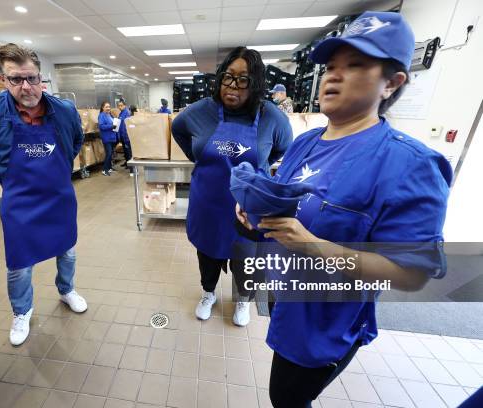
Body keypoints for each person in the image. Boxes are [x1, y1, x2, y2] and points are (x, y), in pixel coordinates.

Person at [236, 12, 452, 407]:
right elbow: (286, 211)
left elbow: (412, 274)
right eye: (331, 66)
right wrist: (255, 215)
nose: (333, 76)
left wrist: (313, 247)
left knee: (285, 398)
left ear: (392, 82)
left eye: (355, 65)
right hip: (287, 295)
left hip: (327, 321)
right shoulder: (305, 142)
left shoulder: (412, 165)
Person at [0, 43, 87, 347]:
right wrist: (8, 170)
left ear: (40, 77)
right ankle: (22, 312)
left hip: (59, 196)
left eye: (32, 78)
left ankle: (67, 290)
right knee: (19, 264)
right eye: (16, 79)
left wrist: (55, 169)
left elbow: (75, 142)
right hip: (19, 201)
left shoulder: (64, 110)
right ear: (3, 79)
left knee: (68, 250)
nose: (26, 86)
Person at [172, 46, 293, 326]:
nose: (233, 86)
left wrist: (259, 168)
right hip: (208, 205)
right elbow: (178, 129)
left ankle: (243, 300)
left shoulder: (272, 117)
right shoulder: (202, 111)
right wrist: (199, 157)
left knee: (245, 260)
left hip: (248, 211)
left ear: (257, 84)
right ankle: (208, 293)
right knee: (208, 255)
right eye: (228, 77)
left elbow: (280, 150)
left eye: (243, 80)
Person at [98, 101, 118, 176]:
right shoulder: (101, 115)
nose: (108, 108)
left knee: (111, 153)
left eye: (109, 106)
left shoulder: (110, 115)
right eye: (106, 107)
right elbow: (101, 126)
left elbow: (114, 124)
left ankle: (109, 168)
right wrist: (111, 126)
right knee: (109, 153)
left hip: (112, 137)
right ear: (103, 108)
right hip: (106, 138)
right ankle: (104, 169)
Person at [117, 100, 133, 175]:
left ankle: (132, 170)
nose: (120, 107)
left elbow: (127, 126)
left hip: (126, 136)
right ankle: (127, 164)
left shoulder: (127, 113)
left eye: (121, 105)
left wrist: (126, 137)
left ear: (124, 105)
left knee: (129, 153)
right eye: (119, 106)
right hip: (122, 136)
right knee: (126, 152)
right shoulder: (121, 113)